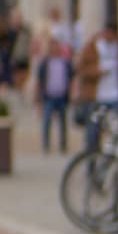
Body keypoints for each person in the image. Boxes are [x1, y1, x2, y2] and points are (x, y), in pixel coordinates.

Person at [74, 20, 118, 149]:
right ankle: (92, 164)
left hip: (116, 96)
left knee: (117, 131)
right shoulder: (92, 47)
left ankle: (111, 159)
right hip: (96, 97)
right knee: (93, 133)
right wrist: (98, 71)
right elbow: (81, 69)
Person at [31, 19, 73, 154]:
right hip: (49, 96)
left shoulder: (65, 63)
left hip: (61, 95)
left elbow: (71, 78)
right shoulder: (45, 63)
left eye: (57, 45)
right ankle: (46, 145)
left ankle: (63, 145)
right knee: (47, 121)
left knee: (63, 122)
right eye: (52, 45)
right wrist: (37, 99)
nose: (55, 48)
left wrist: (71, 93)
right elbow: (39, 81)